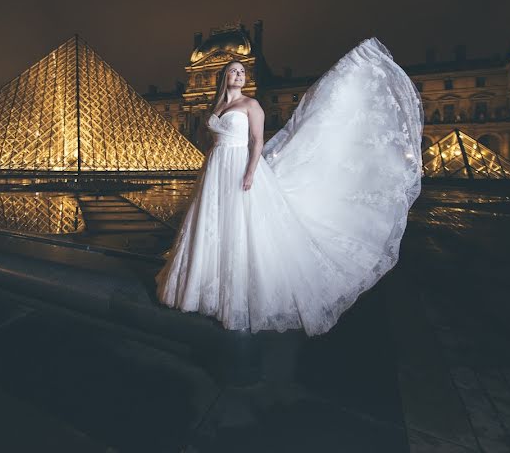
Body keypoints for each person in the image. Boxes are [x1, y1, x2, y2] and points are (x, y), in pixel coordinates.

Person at [155, 37, 424, 335]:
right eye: (233, 71)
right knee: (211, 223)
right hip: (215, 168)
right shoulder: (216, 105)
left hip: (239, 166)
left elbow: (257, 141)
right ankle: (202, 287)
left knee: (239, 225)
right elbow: (211, 140)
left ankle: (234, 294)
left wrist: (249, 172)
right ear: (223, 77)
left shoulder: (251, 104)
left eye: (242, 72)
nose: (238, 75)